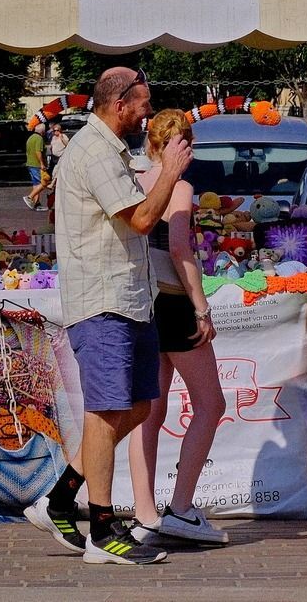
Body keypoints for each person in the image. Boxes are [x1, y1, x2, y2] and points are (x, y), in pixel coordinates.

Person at [28, 67, 192, 565]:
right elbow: (142, 219)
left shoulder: (111, 151)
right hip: (102, 303)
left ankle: (59, 498)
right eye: (142, 104)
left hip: (128, 299)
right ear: (119, 103)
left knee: (137, 407)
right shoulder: (95, 152)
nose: (148, 113)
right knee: (104, 412)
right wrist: (169, 173)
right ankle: (101, 528)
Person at [127, 109, 229, 546]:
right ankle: (182, 507)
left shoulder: (133, 179)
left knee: (148, 410)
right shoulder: (180, 187)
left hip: (141, 301)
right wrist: (201, 306)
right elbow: (179, 246)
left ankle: (145, 512)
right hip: (172, 299)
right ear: (179, 146)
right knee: (211, 402)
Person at [23, 123, 49, 211]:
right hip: (36, 164)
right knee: (43, 183)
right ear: (42, 131)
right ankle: (30, 197)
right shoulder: (39, 138)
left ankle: (36, 204)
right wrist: (42, 163)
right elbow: (38, 152)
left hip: (30, 163)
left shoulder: (30, 138)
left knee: (36, 184)